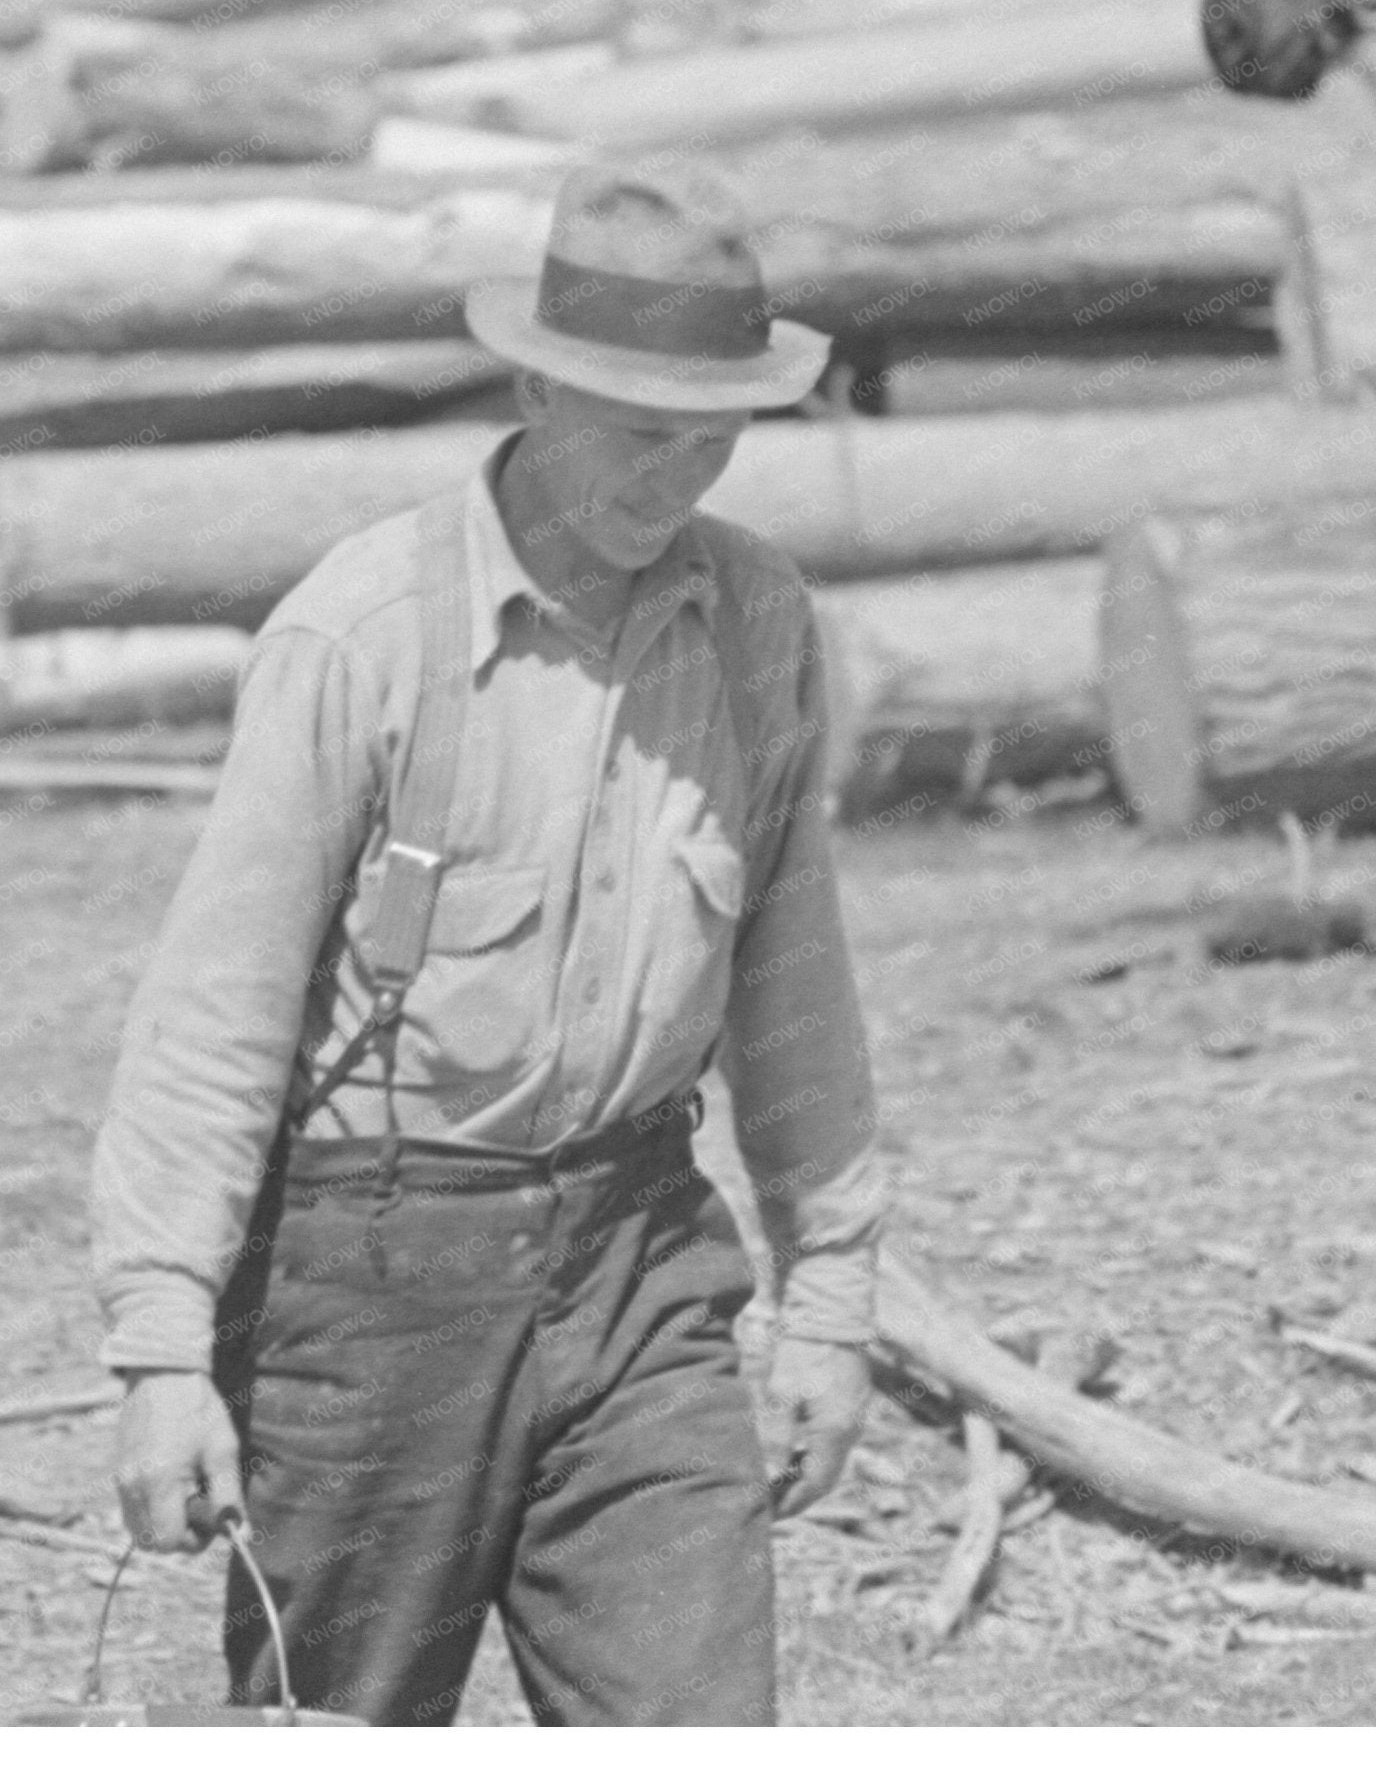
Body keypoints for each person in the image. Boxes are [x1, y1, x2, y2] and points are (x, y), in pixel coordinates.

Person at [86, 159, 891, 1726]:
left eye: (715, 436)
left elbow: (794, 982)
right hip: (371, 1272)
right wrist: (163, 1353)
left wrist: (834, 1300)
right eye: (642, 432)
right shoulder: (365, 633)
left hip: (640, 1254)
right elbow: (213, 1011)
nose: (680, 477)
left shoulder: (754, 621)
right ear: (534, 383)